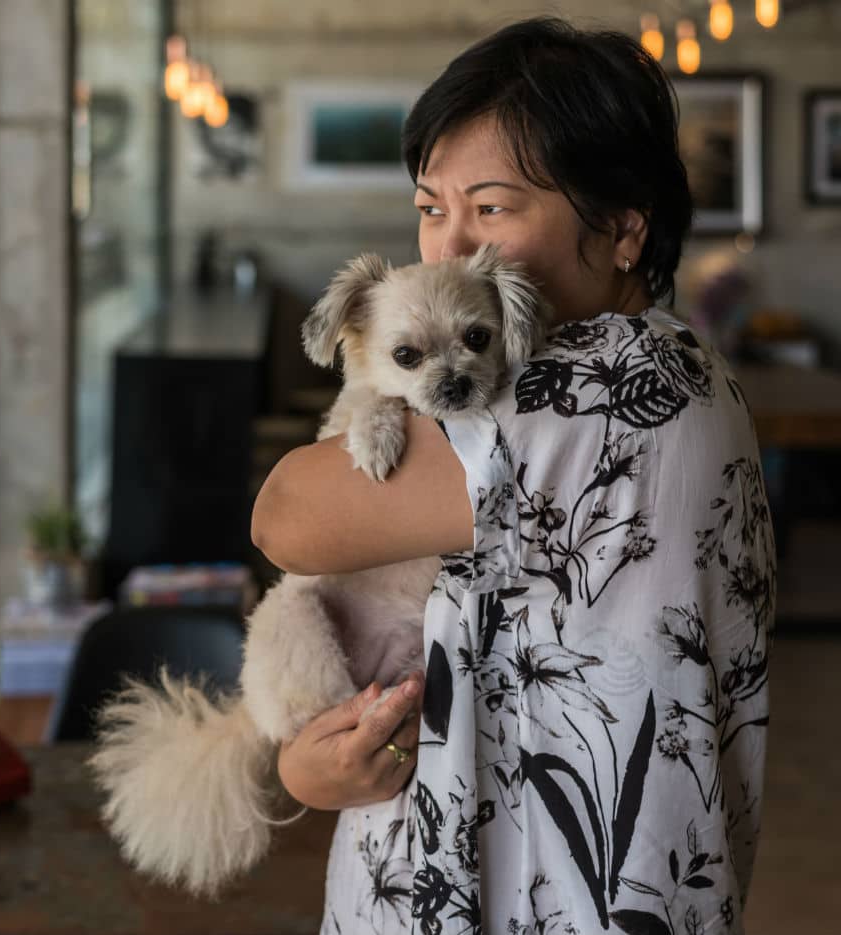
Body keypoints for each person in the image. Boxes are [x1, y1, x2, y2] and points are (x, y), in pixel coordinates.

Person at [251, 18, 775, 935]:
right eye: (429, 207)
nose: (449, 249)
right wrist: (309, 764)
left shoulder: (613, 381)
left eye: (490, 208)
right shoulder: (667, 366)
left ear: (620, 228)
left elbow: (288, 515)